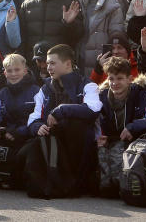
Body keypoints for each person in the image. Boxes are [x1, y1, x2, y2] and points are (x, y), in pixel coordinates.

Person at [23, 43, 101, 195]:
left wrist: (61, 110)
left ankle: (76, 183)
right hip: (54, 142)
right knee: (27, 148)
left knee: (77, 125)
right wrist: (37, 126)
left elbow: (93, 110)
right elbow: (34, 116)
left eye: (53, 63)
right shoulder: (45, 89)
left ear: (67, 64)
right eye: (48, 63)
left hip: (81, 145)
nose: (48, 67)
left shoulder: (87, 85)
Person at [96, 56, 146, 197]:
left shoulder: (145, 96)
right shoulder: (100, 97)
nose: (114, 83)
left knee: (118, 183)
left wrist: (133, 127)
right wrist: (97, 137)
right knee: (105, 187)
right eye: (111, 78)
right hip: (106, 145)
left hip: (134, 145)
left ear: (130, 79)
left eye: (119, 78)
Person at [0, 53, 40, 186]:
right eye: (9, 70)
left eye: (17, 70)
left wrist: (18, 133)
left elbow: (38, 118)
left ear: (25, 71)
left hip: (26, 137)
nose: (13, 73)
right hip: (5, 135)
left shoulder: (36, 91)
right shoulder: (1, 93)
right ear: (5, 73)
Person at [75, 0, 124, 78]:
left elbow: (115, 37)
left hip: (101, 64)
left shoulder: (113, 7)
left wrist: (106, 61)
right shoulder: (76, 3)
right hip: (79, 62)